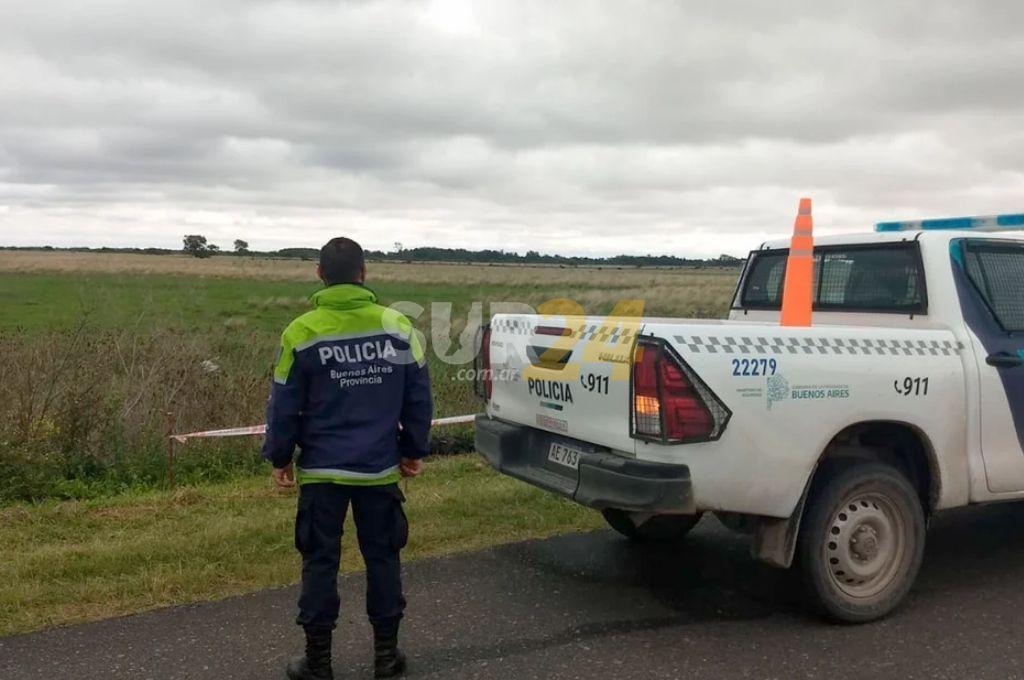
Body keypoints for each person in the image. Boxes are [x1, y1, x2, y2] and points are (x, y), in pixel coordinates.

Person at [262, 237, 433, 680]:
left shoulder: (300, 332)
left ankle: (317, 664)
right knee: (383, 559)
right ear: (364, 273)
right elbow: (419, 397)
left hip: (321, 472)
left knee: (320, 563)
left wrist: (279, 457)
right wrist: (413, 450)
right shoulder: (398, 326)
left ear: (319, 274)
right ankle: (385, 658)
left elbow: (283, 404)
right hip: (378, 471)